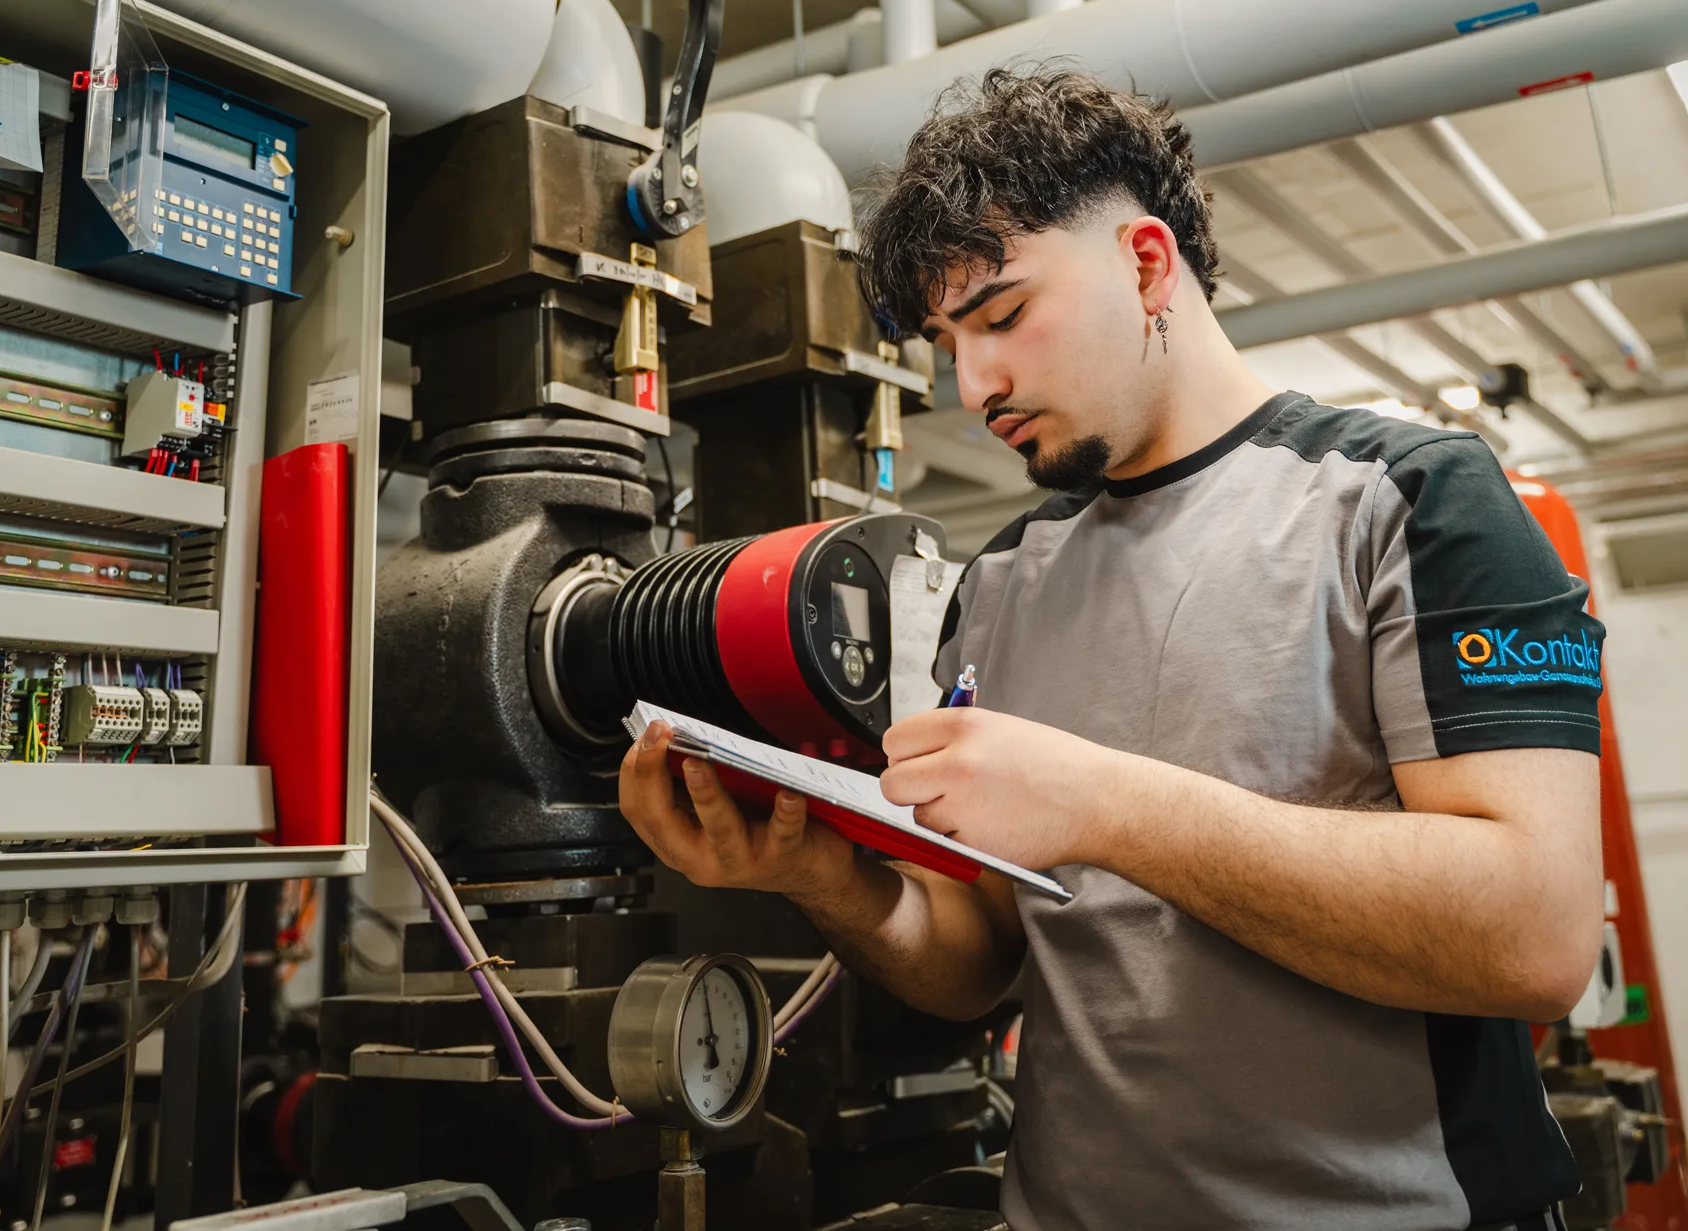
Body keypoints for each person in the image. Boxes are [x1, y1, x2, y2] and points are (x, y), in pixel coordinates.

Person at [621, 67, 1604, 1231]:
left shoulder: (1409, 501)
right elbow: (979, 954)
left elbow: (1536, 933)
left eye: (999, 316)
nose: (973, 383)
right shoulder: (999, 583)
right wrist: (817, 874)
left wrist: (1101, 805)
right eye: (946, 341)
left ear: (1147, 263)